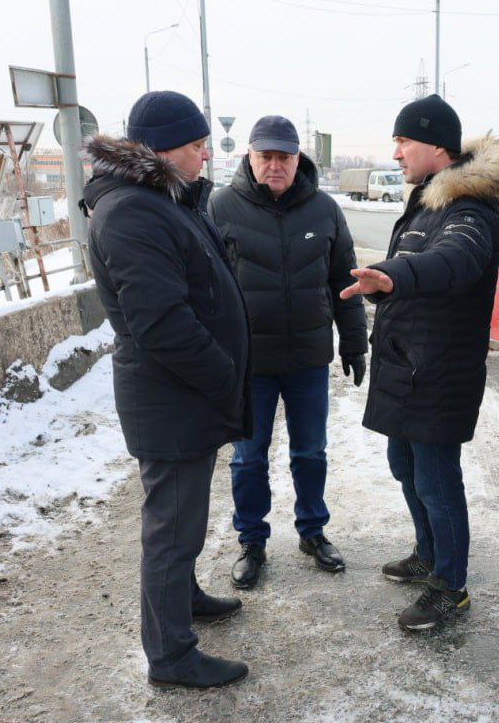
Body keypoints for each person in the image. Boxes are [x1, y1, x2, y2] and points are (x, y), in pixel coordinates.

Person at [83, 90, 252, 690]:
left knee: (184, 522)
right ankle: (171, 656)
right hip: (173, 396)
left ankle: (185, 599)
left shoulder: (158, 199)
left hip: (183, 396)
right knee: (172, 530)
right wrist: (223, 374)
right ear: (160, 150)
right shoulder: (131, 211)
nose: (206, 155)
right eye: (196, 146)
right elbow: (161, 322)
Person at [340, 94, 499, 630]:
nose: (395, 153)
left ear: (436, 147)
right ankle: (427, 554)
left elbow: (453, 262)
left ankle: (451, 587)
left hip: (439, 373)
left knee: (437, 481)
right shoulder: (426, 203)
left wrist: (395, 276)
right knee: (405, 468)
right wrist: (384, 286)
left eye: (403, 141)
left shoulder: (470, 211)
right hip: (406, 368)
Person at [208, 115, 368, 590]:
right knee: (248, 458)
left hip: (306, 359)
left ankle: (313, 531)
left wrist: (355, 342)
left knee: (310, 451)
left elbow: (346, 279)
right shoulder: (221, 208)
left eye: (285, 157)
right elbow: (207, 288)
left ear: (299, 159)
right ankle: (251, 540)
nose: (275, 165)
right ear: (250, 157)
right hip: (249, 364)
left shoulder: (324, 209)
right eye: (267, 156)